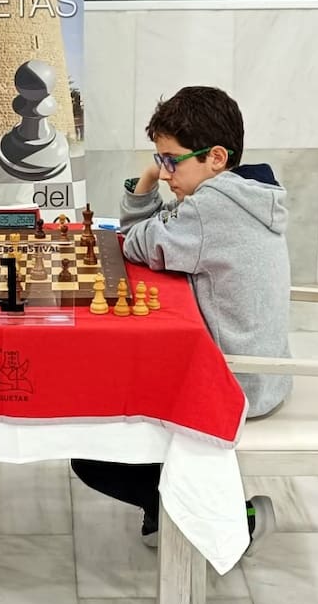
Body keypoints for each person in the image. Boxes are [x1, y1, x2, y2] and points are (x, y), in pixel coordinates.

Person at [72, 85, 291, 550]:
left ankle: (232, 519)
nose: (165, 172)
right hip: (263, 373)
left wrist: (145, 182)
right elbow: (156, 234)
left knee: (92, 448)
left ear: (216, 157)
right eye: (160, 160)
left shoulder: (212, 209)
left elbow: (135, 242)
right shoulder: (244, 192)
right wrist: (163, 172)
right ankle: (168, 512)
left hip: (234, 382)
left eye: (171, 160)